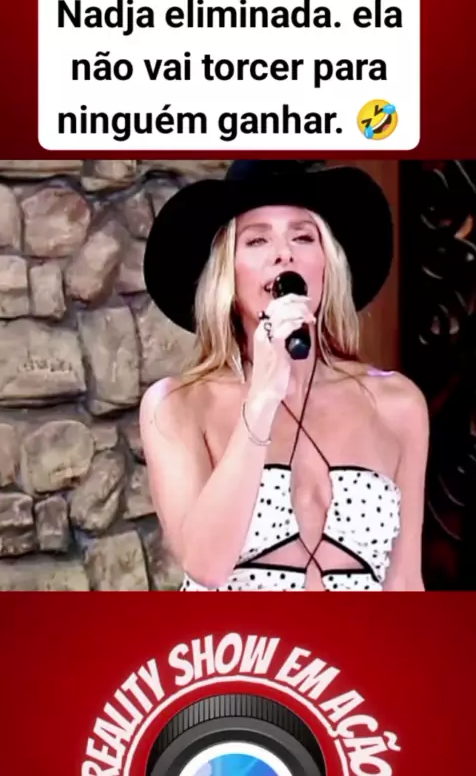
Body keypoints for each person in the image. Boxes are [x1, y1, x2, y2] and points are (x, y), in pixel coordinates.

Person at [140, 160, 429, 592]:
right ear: (226, 274)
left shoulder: (397, 403)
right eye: (257, 239)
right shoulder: (177, 404)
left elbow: (405, 582)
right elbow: (205, 566)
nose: (284, 253)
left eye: (303, 236)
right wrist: (261, 399)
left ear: (327, 266)